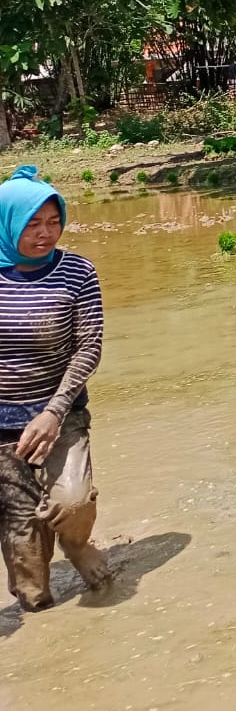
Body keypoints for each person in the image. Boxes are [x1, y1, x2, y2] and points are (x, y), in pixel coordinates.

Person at [0, 166, 112, 610]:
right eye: (32, 223)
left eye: (53, 221)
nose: (46, 233)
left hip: (59, 414)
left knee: (74, 502)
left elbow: (89, 346)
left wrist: (54, 411)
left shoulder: (77, 272)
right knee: (32, 589)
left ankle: (78, 544)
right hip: (1, 430)